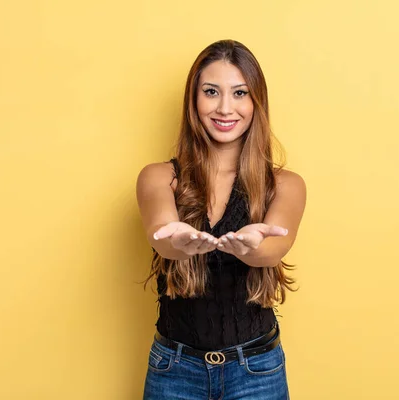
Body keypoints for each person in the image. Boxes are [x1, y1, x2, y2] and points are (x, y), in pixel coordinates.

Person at [136, 39, 306, 400]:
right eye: (211, 92)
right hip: (174, 371)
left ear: (256, 102)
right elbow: (160, 231)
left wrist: (251, 248)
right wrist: (177, 243)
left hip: (257, 372)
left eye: (240, 93)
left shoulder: (285, 185)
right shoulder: (158, 177)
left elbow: (273, 249)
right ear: (193, 100)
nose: (225, 108)